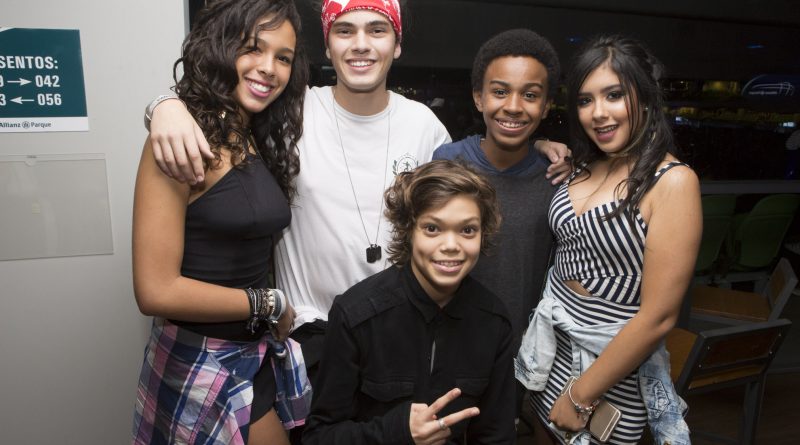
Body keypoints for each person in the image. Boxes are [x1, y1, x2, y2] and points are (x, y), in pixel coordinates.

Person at [143, 0, 571, 388]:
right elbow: (226, 109)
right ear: (328, 47)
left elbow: (475, 175)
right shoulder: (290, 111)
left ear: (397, 45)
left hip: (399, 338)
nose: (361, 44)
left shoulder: (424, 126)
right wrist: (164, 106)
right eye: (345, 30)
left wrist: (538, 146)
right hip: (306, 337)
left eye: (377, 30)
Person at [131, 1, 311, 443]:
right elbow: (155, 290)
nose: (268, 68)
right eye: (253, 48)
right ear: (221, 46)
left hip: (251, 354)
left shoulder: (253, 133)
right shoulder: (184, 141)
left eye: (283, 57)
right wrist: (269, 302)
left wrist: (162, 103)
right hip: (202, 361)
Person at [515, 35, 701, 445]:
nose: (598, 113)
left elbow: (659, 317)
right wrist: (541, 144)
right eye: (585, 100)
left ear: (645, 99)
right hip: (553, 350)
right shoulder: (584, 166)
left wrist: (581, 395)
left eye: (614, 95)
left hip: (611, 372)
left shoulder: (672, 182)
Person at [303, 160, 516, 444]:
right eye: (432, 228)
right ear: (408, 230)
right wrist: (398, 432)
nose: (451, 245)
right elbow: (319, 437)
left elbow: (496, 437)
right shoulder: (357, 315)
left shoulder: (492, 322)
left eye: (467, 230)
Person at [433, 28, 562, 351]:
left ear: (546, 106)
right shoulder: (448, 162)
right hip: (449, 343)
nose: (514, 106)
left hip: (524, 349)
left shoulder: (556, 176)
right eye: (500, 92)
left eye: (530, 95)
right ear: (479, 98)